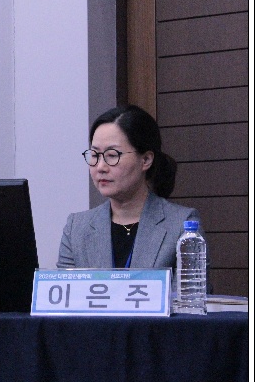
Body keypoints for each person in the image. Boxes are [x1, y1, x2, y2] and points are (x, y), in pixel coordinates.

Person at [57, 104, 210, 281]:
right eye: (95, 155)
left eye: (112, 155)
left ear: (146, 160)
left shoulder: (182, 226)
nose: (100, 167)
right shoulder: (76, 228)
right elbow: (65, 294)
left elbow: (190, 296)